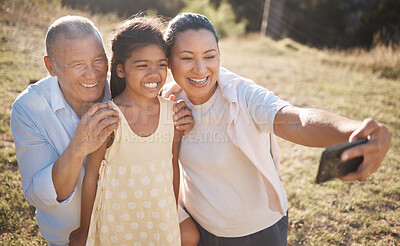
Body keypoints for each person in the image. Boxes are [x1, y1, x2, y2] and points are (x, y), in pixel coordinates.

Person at [162, 12, 391, 246]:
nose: (200, 69)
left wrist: (357, 131)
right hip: (201, 230)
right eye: (187, 58)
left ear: (219, 56)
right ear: (169, 63)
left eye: (209, 56)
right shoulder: (165, 101)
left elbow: (297, 120)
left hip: (259, 231)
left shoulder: (243, 95)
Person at [10, 15, 193, 246]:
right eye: (77, 64)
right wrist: (78, 147)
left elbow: (157, 82)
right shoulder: (29, 108)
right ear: (50, 67)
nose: (93, 73)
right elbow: (42, 197)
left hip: (147, 218)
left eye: (98, 60)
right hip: (77, 234)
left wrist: (182, 114)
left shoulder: (124, 85)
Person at [68, 16, 199, 246]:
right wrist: (85, 229)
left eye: (161, 64)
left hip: (160, 218)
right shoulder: (108, 117)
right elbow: (91, 177)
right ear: (120, 69)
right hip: (116, 221)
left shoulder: (173, 113)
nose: (154, 73)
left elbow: (172, 166)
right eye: (142, 65)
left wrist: (172, 210)